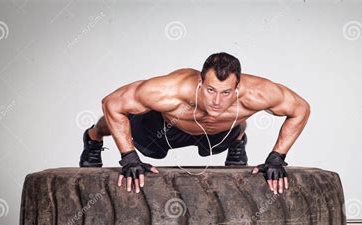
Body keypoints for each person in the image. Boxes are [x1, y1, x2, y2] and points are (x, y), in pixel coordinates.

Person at [79, 52, 310, 194]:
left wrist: (277, 157)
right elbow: (111, 103)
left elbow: (301, 109)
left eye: (226, 92)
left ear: (237, 87)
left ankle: (238, 137)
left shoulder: (257, 94)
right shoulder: (171, 90)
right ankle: (94, 136)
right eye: (210, 90)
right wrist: (128, 157)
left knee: (235, 121)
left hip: (218, 134)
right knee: (126, 121)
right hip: (164, 130)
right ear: (200, 82)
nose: (217, 101)